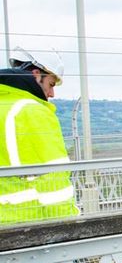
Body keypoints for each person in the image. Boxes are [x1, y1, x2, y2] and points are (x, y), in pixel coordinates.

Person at [0, 47, 79, 223]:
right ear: (36, 75)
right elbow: (54, 182)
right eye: (51, 84)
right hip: (26, 227)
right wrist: (70, 228)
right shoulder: (32, 112)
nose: (51, 94)